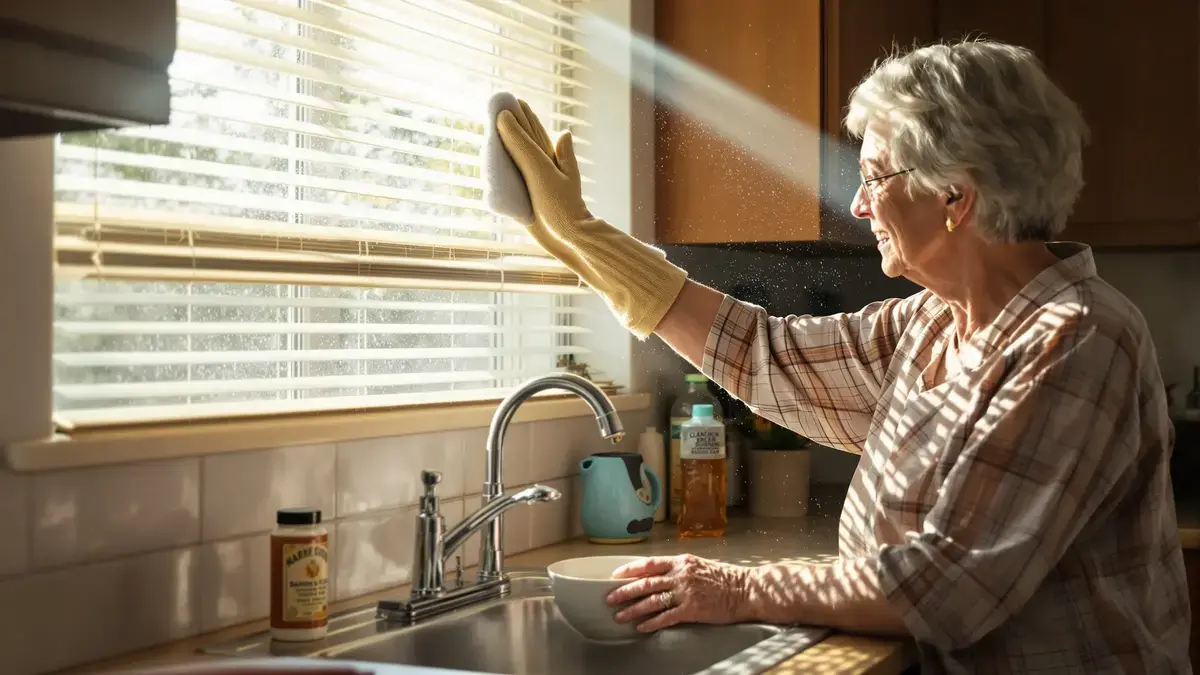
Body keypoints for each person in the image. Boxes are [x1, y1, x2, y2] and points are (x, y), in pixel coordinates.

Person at [494, 38, 1190, 673]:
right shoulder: (929, 323)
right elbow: (764, 354)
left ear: (956, 195)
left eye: (876, 175)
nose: (858, 205)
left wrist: (738, 587)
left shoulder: (1075, 338)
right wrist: (583, 238)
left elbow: (945, 587)